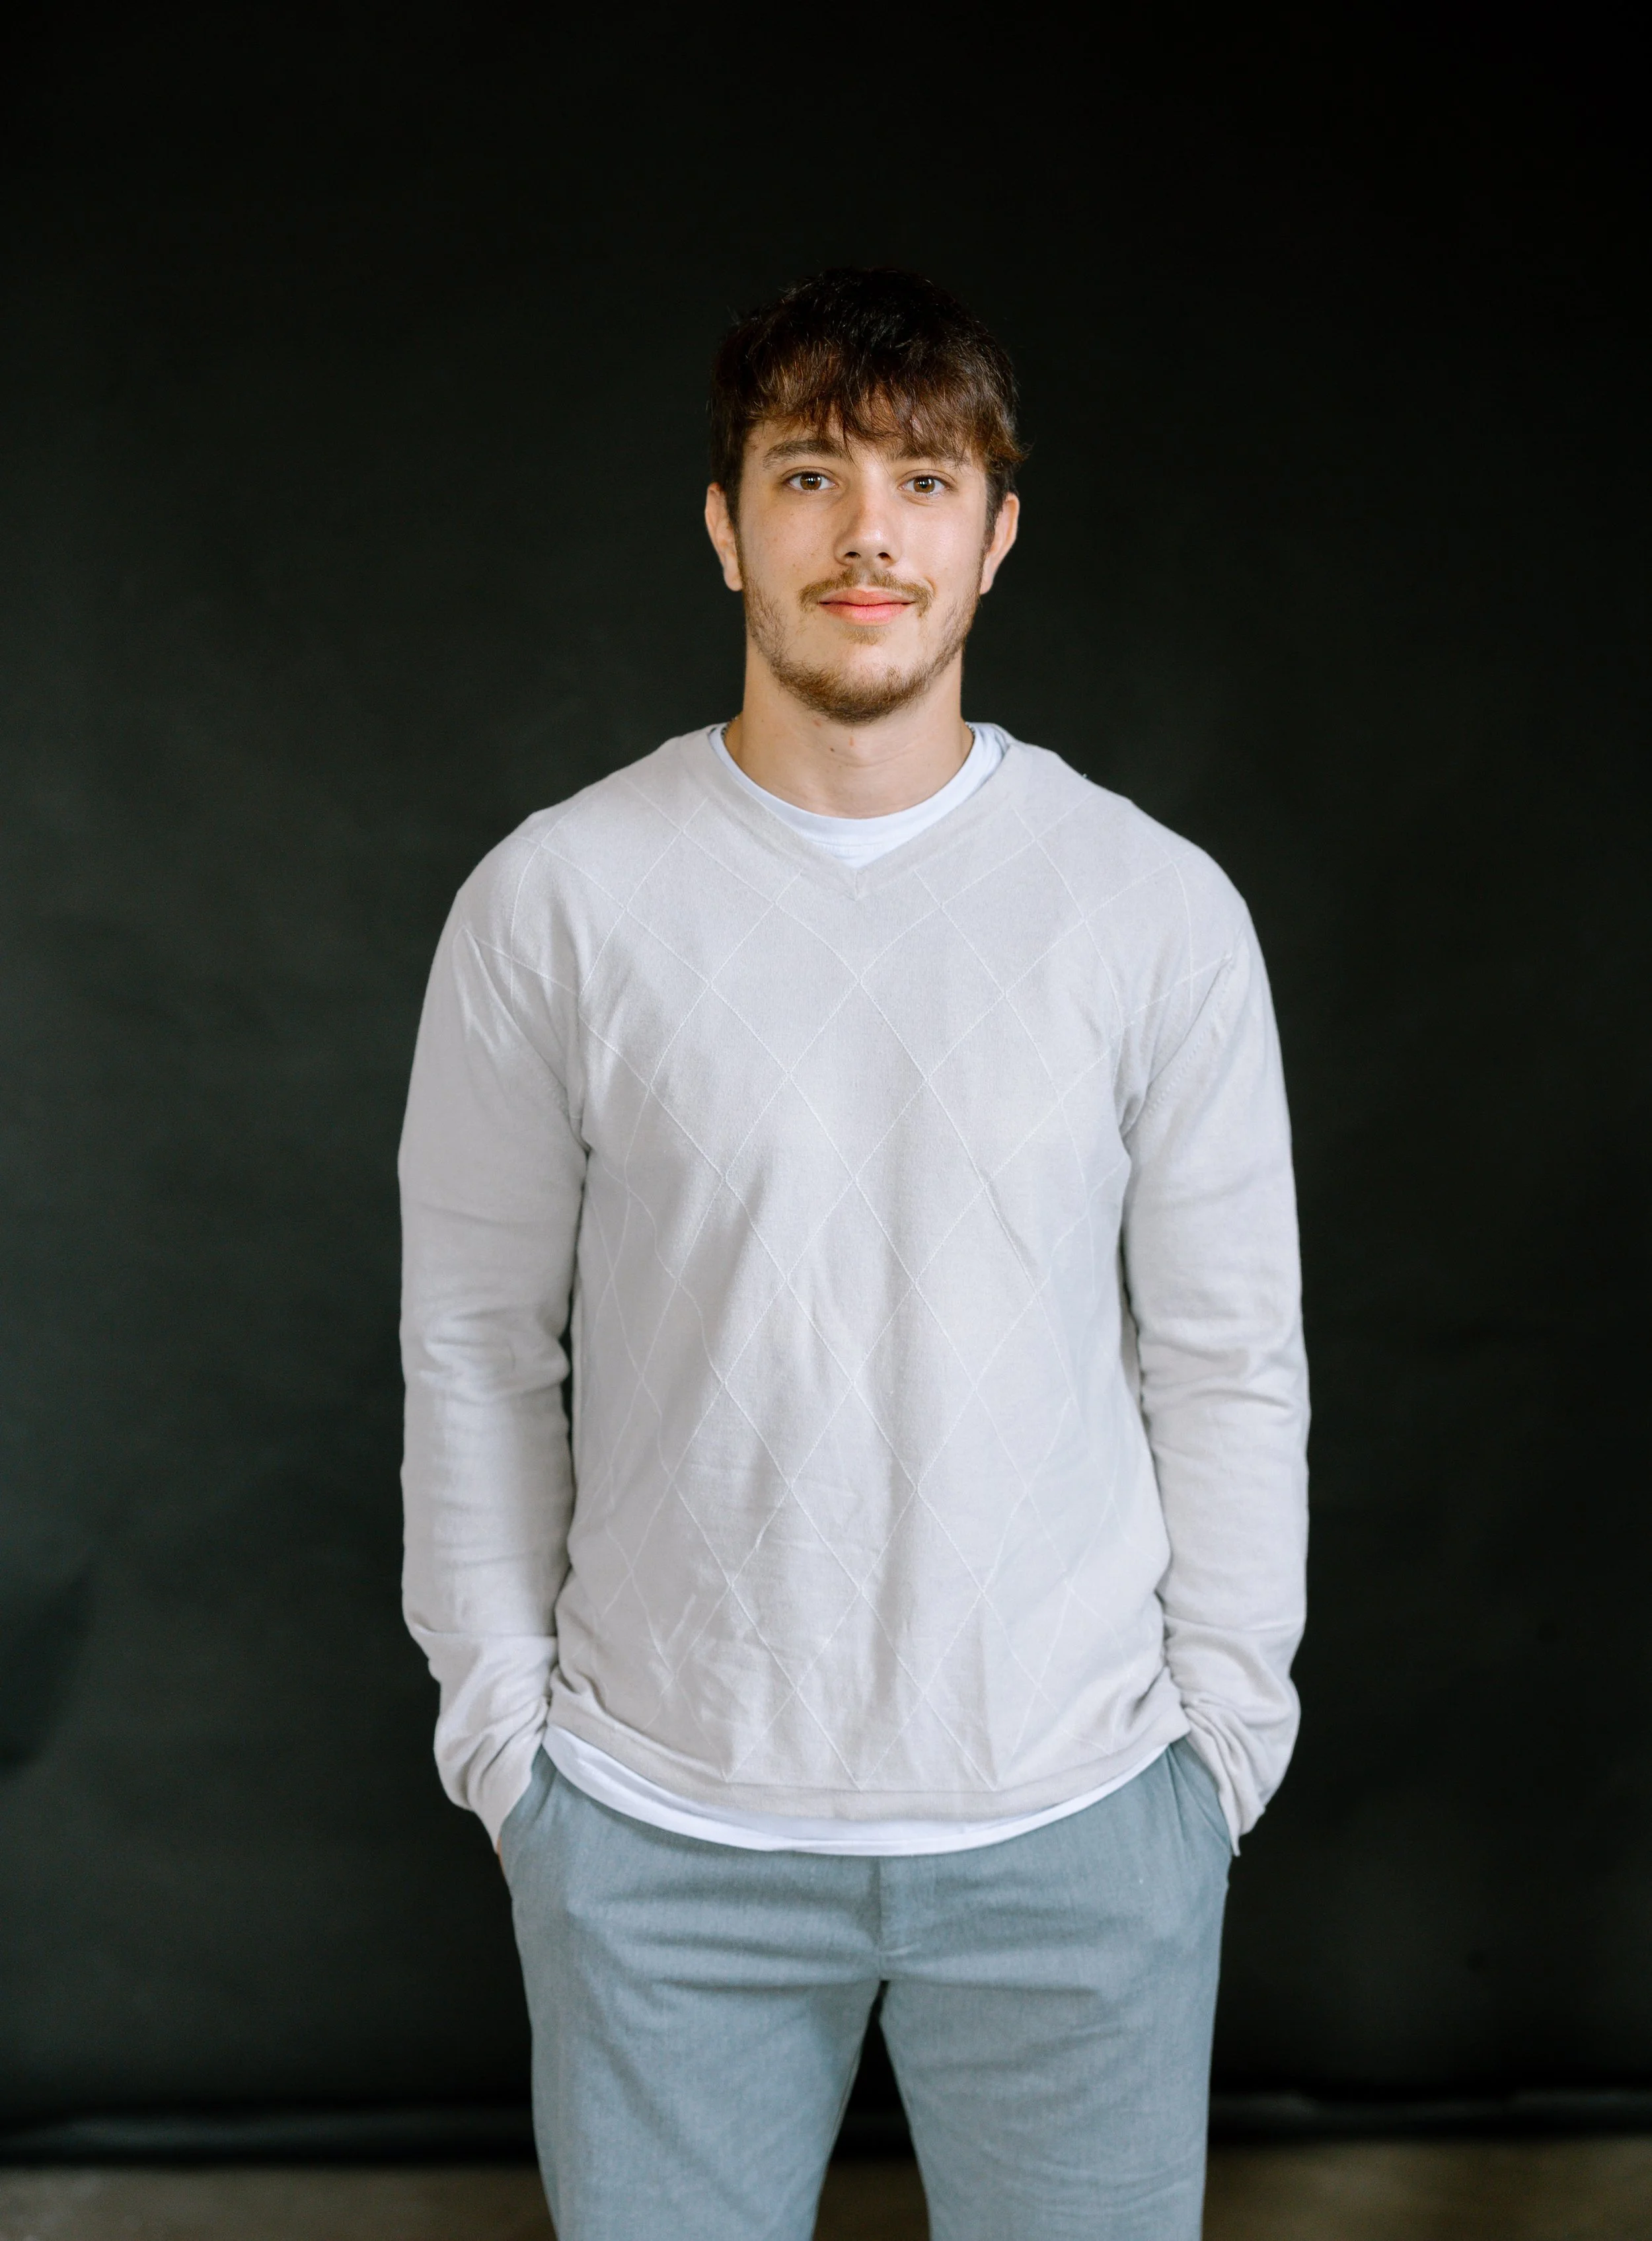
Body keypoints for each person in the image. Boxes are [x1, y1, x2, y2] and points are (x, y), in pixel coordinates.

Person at [399, 267, 1308, 2241]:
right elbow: (475, 1342)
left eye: (922, 474)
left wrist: (1215, 1752)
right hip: (657, 1832)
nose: (866, 527)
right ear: (726, 522)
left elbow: (1227, 1352)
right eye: (807, 470)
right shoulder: (553, 901)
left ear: (994, 533)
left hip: (1079, 1823)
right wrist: (508, 1744)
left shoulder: (1150, 909)